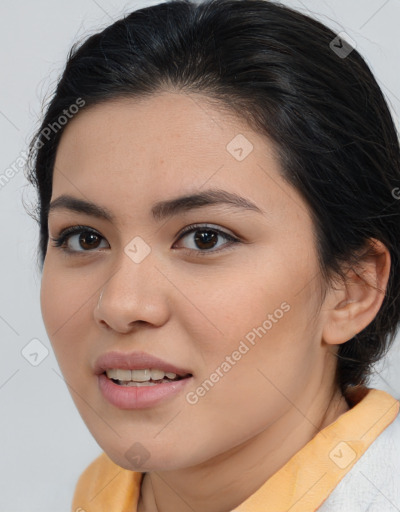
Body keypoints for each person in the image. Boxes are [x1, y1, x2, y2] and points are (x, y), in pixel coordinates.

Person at [24, 0, 400, 510]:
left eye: (205, 238)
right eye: (85, 238)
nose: (121, 303)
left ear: (353, 288)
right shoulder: (102, 493)